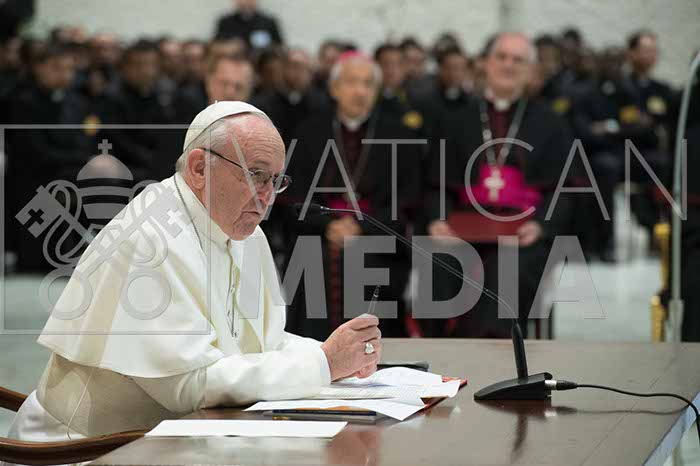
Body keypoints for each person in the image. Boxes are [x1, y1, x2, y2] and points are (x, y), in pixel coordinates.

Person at [7, 101, 382, 443]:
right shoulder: (150, 238)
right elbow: (188, 386)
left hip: (173, 437)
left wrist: (333, 354)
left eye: (275, 180)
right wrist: (322, 363)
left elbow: (261, 342)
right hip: (86, 447)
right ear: (200, 168)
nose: (268, 196)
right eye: (255, 174)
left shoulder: (243, 231)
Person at [424, 32, 574, 338]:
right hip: (463, 228)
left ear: (530, 70)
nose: (508, 65)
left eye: (518, 60)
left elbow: (565, 189)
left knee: (509, 268)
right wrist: (437, 219)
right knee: (439, 263)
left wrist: (541, 226)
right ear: (485, 63)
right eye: (501, 57)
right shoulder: (455, 119)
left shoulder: (551, 123)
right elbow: (435, 183)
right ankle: (445, 351)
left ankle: (492, 354)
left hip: (522, 232)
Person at [286, 52, 421, 340]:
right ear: (335, 88)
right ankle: (313, 349)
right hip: (319, 233)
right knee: (310, 259)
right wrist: (329, 225)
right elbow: (294, 193)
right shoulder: (309, 132)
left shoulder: (399, 135)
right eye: (352, 82)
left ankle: (371, 350)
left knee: (368, 259)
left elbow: (406, 198)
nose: (360, 91)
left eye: (368, 84)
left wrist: (361, 226)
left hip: (378, 233)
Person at [6, 43, 97, 272]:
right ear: (39, 68)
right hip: (33, 173)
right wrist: (78, 159)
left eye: (69, 69)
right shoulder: (22, 101)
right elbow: (31, 148)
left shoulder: (77, 102)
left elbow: (85, 140)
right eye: (57, 68)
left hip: (69, 168)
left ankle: (86, 252)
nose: (65, 75)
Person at [214, 0, 283, 51]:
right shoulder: (225, 22)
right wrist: (229, 47)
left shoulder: (268, 22)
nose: (246, 2)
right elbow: (215, 46)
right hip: (234, 62)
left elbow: (280, 46)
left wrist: (268, 48)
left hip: (262, 63)